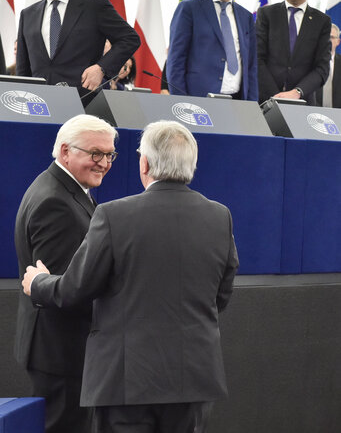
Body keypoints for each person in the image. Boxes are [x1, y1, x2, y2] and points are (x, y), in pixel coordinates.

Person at [22, 120, 239, 433]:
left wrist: (39, 283)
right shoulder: (220, 216)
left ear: (145, 163)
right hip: (193, 379)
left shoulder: (114, 215)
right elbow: (222, 293)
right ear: (191, 164)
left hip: (126, 382)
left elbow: (76, 288)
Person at [15, 114, 118, 433]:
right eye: (95, 153)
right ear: (64, 152)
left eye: (110, 154)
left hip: (60, 350)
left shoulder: (64, 188)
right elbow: (64, 291)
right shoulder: (55, 202)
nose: (104, 163)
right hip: (62, 354)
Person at [16, 0, 140, 106]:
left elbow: (130, 38)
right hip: (38, 104)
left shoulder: (95, 6)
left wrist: (101, 68)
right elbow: (23, 68)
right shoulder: (27, 15)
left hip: (83, 103)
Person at [166, 0, 258, 100]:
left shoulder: (246, 17)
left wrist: (252, 105)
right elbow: (175, 62)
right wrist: (181, 102)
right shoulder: (189, 9)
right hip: (198, 101)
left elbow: (251, 67)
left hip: (238, 102)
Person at [256, 0, 331, 105]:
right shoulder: (266, 14)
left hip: (303, 102)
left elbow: (322, 68)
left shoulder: (321, 21)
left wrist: (297, 92)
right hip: (266, 101)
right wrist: (277, 96)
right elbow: (257, 59)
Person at [316, 23, 341, 108]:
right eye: (325, 37)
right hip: (314, 112)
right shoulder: (311, 62)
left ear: (338, 41)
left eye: (331, 37)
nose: (328, 40)